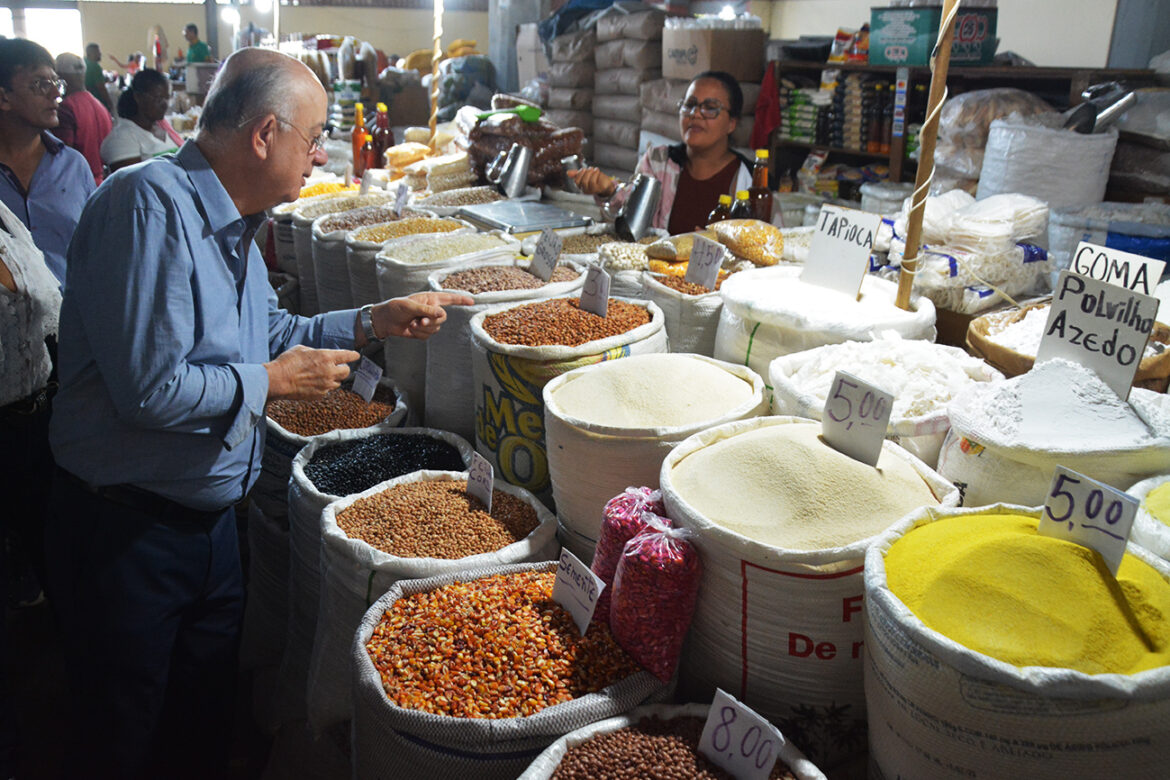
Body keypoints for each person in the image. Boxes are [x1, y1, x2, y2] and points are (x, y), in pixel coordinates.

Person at [46, 46, 472, 779]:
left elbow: (271, 336)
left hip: (207, 525)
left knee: (199, 717)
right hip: (125, 531)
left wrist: (374, 319)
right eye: (311, 140)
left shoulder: (237, 223)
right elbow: (151, 391)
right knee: (123, 728)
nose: (315, 158)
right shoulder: (149, 207)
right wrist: (270, 382)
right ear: (265, 134)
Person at [0, 196, 61, 778]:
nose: (53, 94)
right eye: (39, 89)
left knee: (55, 555)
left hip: (35, 416)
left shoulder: (2, 214)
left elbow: (46, 298)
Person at [569, 70, 752, 235]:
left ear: (732, 123)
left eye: (710, 108)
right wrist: (608, 191)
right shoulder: (658, 162)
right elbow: (631, 215)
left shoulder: (750, 178)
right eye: (689, 104)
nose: (695, 114)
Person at [0, 39, 96, 286]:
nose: (55, 94)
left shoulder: (73, 167)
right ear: (4, 98)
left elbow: (94, 248)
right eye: (40, 85)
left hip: (70, 317)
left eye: (57, 83)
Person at [99, 68, 181, 173]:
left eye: (167, 98)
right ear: (138, 97)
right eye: (158, 98)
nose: (165, 104)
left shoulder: (165, 129)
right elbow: (135, 184)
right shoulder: (122, 139)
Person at [52, 52, 113, 184]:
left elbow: (63, 156)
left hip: (79, 182)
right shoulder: (99, 105)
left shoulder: (65, 109)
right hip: (103, 181)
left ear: (60, 76)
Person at [84, 43, 113, 112]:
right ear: (92, 53)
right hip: (97, 102)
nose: (100, 54)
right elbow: (101, 88)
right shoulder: (95, 67)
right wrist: (109, 103)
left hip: (85, 102)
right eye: (98, 52)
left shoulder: (83, 63)